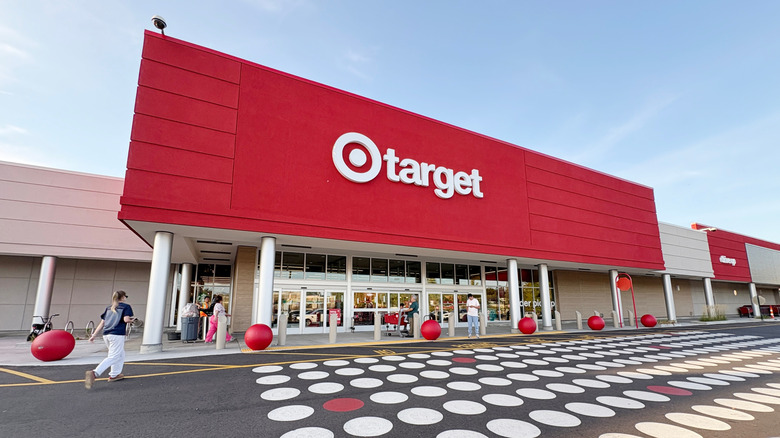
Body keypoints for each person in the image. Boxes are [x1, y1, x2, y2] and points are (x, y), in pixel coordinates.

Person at [85, 290, 135, 389]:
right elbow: (126, 320)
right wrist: (133, 321)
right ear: (123, 297)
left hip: (106, 334)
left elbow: (102, 323)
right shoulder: (126, 307)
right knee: (114, 356)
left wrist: (94, 335)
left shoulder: (109, 308)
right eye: (126, 296)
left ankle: (114, 374)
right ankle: (95, 373)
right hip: (117, 334)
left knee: (120, 354)